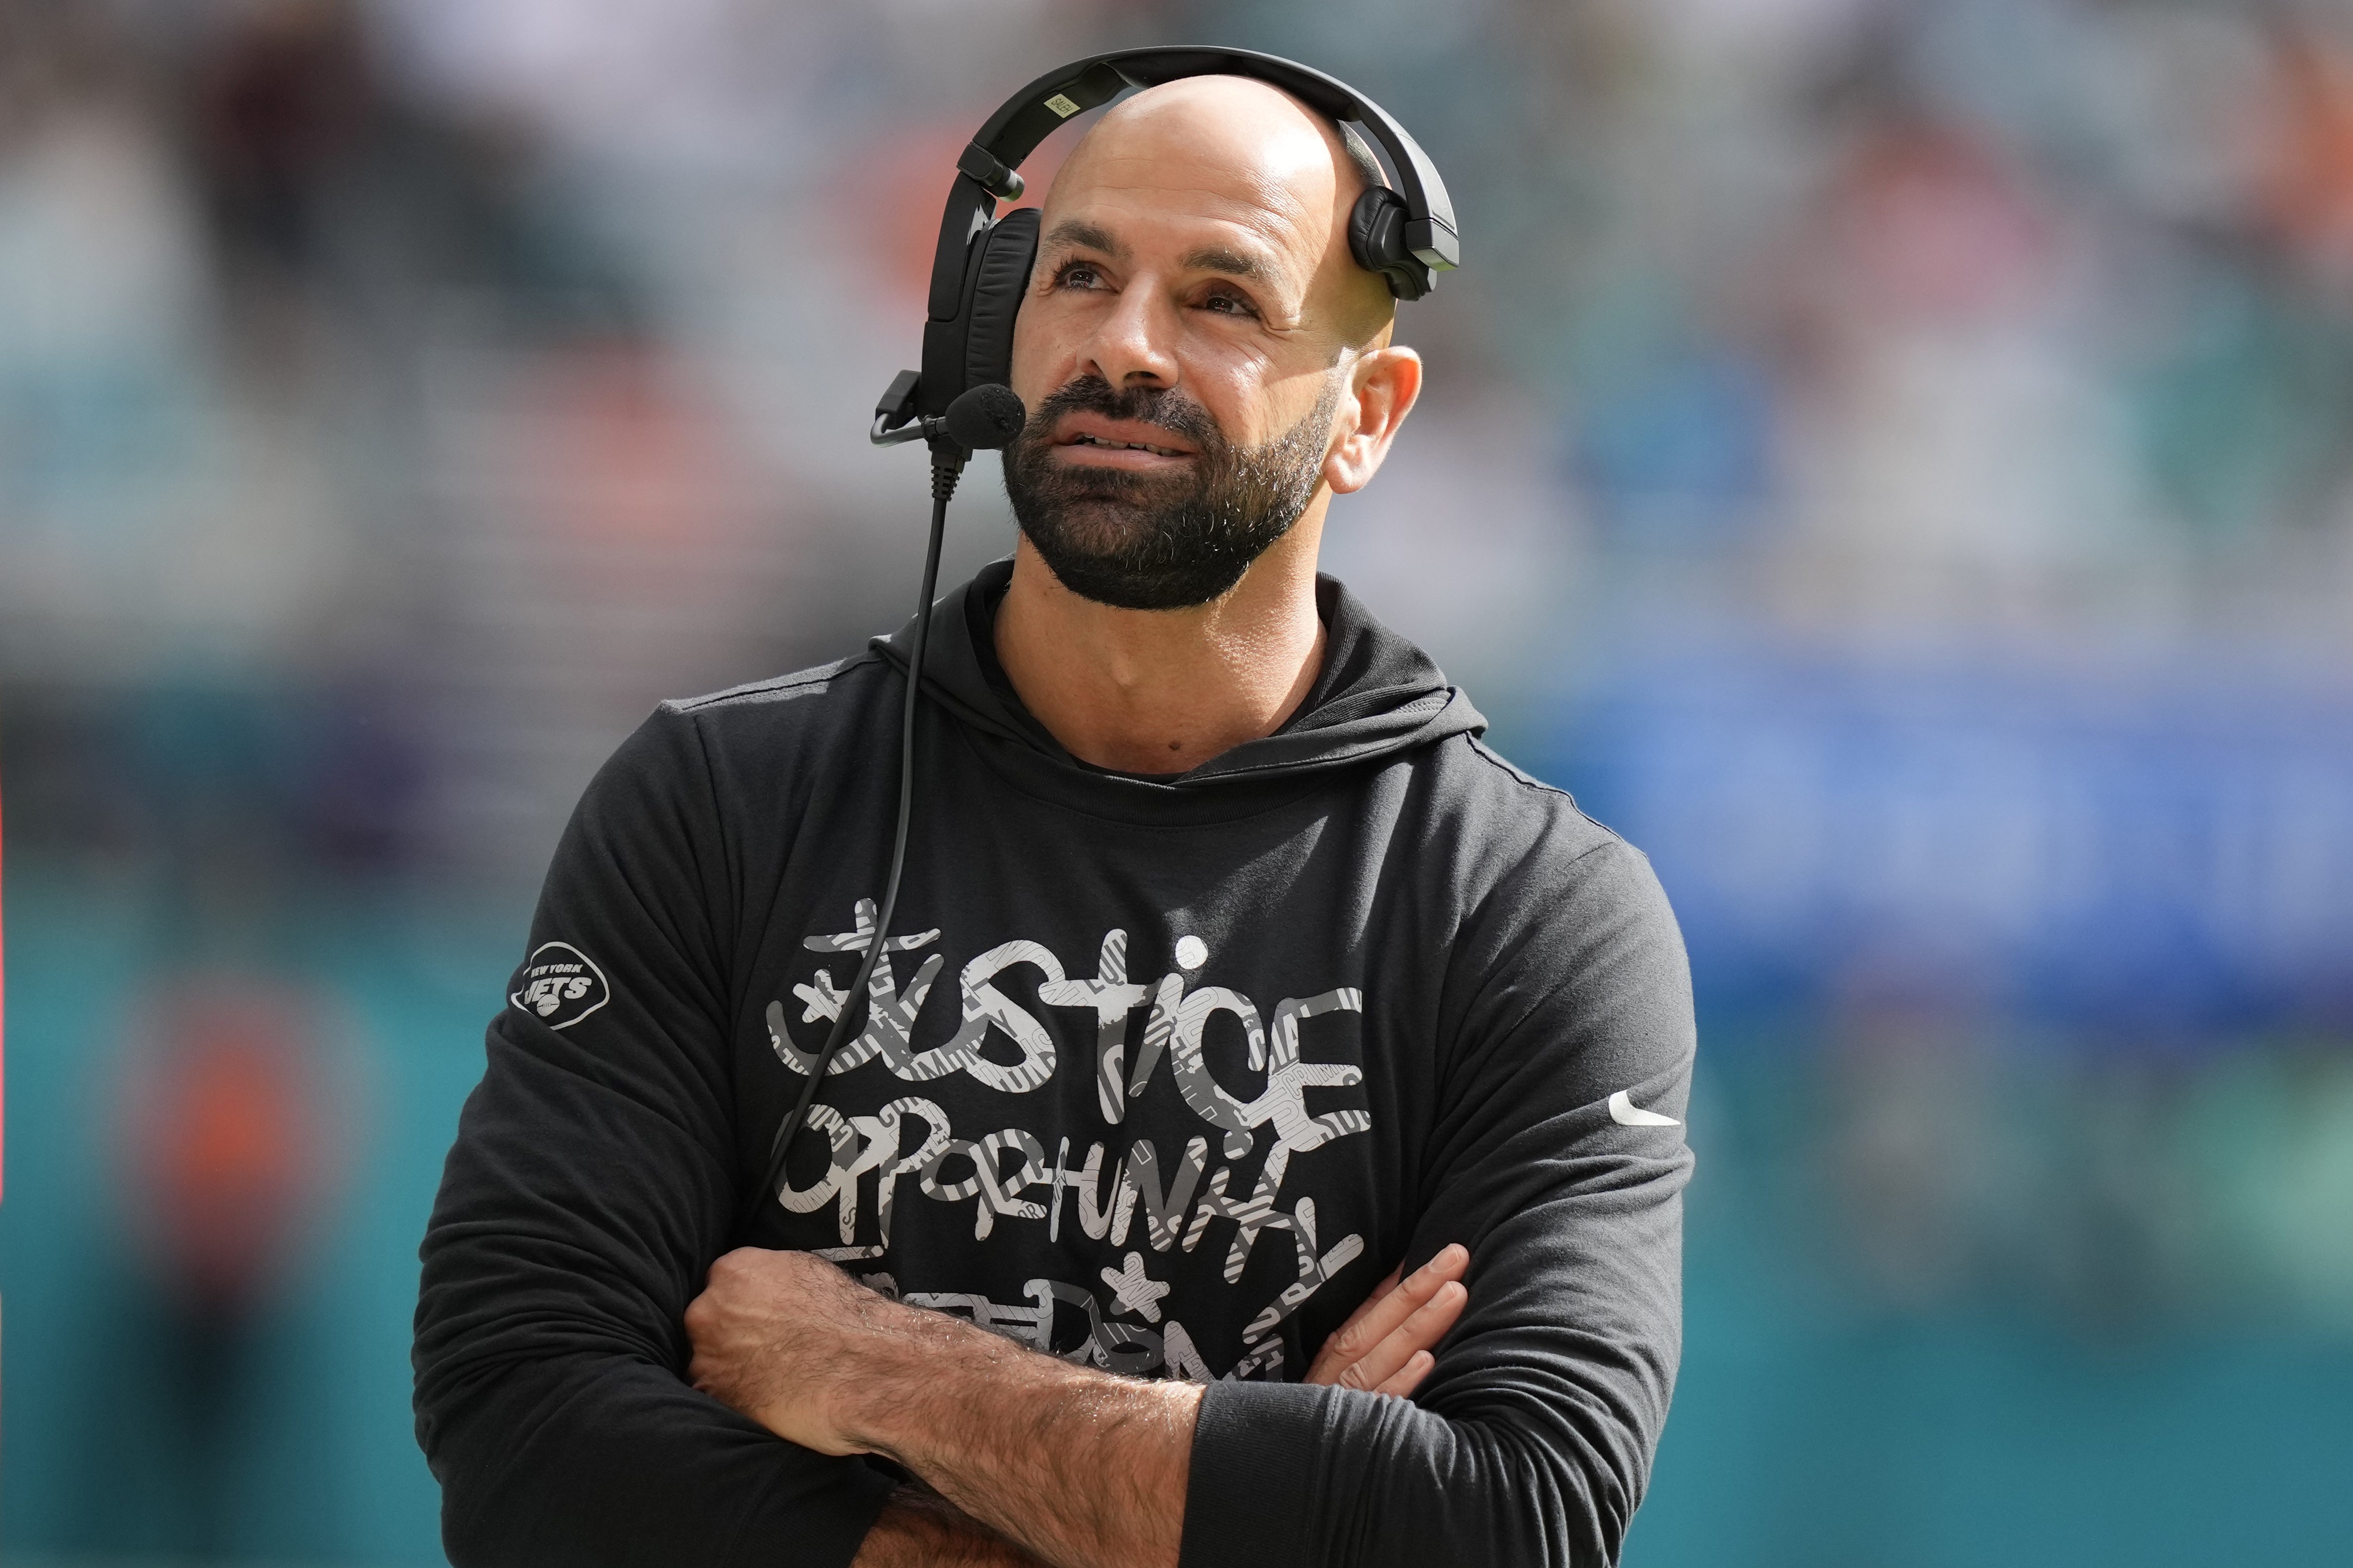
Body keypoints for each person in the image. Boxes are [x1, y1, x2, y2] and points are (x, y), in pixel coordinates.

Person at [414, 72, 1694, 1568]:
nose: (1125, 344)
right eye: (1081, 276)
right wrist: (1255, 1502)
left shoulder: (1534, 914)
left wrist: (875, 1371)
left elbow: (1514, 1520)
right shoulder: (714, 803)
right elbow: (526, 1431)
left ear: (1368, 415)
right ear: (992, 334)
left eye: (1222, 299)